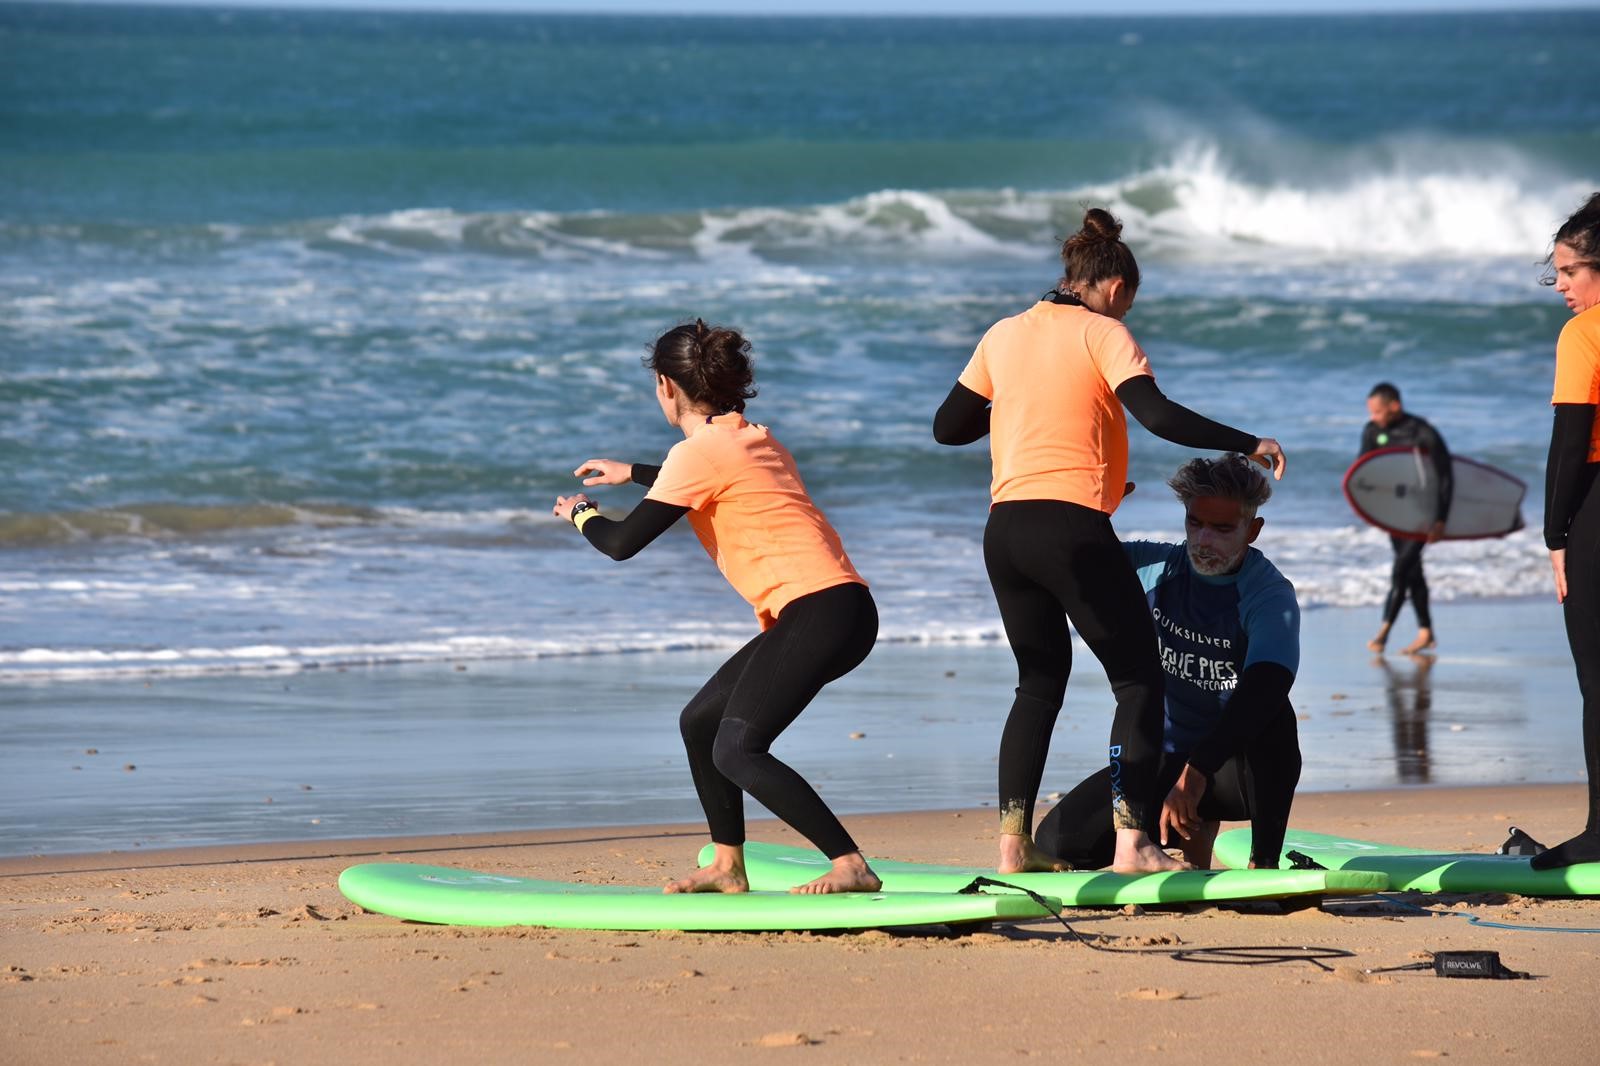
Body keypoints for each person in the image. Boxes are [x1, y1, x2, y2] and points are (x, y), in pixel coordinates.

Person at [933, 207, 1286, 874]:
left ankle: (1013, 848)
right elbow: (1155, 413)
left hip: (1005, 530)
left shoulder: (1004, 335)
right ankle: (1133, 844)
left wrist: (1021, 399)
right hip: (1070, 527)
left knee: (1037, 684)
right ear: (1117, 289)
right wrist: (1247, 442)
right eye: (1128, 304)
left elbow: (948, 427)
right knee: (1137, 684)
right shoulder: (1103, 333)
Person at [553, 320, 881, 895]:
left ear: (665, 385)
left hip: (820, 612)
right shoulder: (752, 437)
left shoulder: (696, 454)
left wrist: (581, 512)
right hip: (840, 609)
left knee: (739, 747)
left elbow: (622, 544)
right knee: (701, 723)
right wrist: (633, 473)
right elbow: (708, 479)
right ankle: (728, 864)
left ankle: (850, 863)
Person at [1034, 455, 1301, 870]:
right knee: (1057, 842)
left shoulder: (1268, 593)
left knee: (1273, 714)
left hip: (1235, 768)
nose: (1204, 539)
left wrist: (1197, 770)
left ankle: (1262, 862)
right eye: (1195, 523)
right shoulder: (1155, 568)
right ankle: (1182, 841)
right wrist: (1094, 515)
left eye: (1222, 528)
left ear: (1253, 530)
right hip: (1162, 759)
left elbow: (1268, 684)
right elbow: (1066, 559)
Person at [1535, 191, 1600, 871]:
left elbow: (1571, 442)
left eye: (1570, 272)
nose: (1560, 285)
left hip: (1596, 511)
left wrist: (1558, 536)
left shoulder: (1585, 334)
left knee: (1598, 678)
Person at [1358, 382, 1453, 656]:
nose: (1373, 418)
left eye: (1377, 412)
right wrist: (1370, 511)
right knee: (1413, 571)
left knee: (1401, 569)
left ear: (1394, 407)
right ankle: (1426, 632)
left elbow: (1445, 477)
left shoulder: (1422, 432)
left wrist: (1440, 520)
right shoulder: (1372, 431)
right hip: (1393, 514)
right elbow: (1362, 474)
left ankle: (1383, 632)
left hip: (1421, 514)